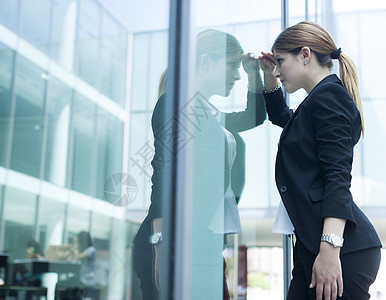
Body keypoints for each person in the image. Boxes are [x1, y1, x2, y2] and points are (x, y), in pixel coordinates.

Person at [133, 29, 266, 300]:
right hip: (172, 244)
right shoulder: (176, 106)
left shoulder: (206, 113)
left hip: (200, 243)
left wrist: (254, 73)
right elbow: (163, 173)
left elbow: (255, 117)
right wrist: (160, 244)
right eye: (231, 65)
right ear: (205, 62)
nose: (236, 75)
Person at [258, 21, 382, 300]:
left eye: (280, 62)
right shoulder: (318, 101)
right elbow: (283, 119)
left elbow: (337, 178)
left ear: (305, 54)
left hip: (339, 251)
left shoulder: (329, 98)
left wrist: (329, 248)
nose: (277, 72)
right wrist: (267, 76)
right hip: (314, 247)